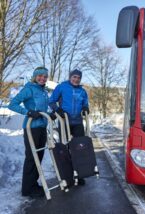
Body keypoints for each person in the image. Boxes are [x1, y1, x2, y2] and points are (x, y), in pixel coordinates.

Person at [8, 67, 54, 198]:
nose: (42, 78)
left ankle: (33, 184)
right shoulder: (29, 89)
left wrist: (50, 115)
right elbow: (13, 104)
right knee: (31, 158)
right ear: (35, 76)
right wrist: (28, 112)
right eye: (40, 76)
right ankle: (27, 189)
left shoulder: (44, 91)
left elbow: (42, 109)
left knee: (38, 157)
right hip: (31, 128)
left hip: (42, 127)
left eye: (45, 76)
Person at [49, 69, 89, 185]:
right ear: (70, 77)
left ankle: (79, 174)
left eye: (78, 78)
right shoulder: (62, 87)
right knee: (65, 148)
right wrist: (58, 110)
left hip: (77, 123)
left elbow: (85, 103)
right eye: (74, 77)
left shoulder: (82, 91)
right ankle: (67, 175)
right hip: (64, 121)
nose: (76, 79)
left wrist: (86, 108)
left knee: (79, 148)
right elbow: (51, 101)